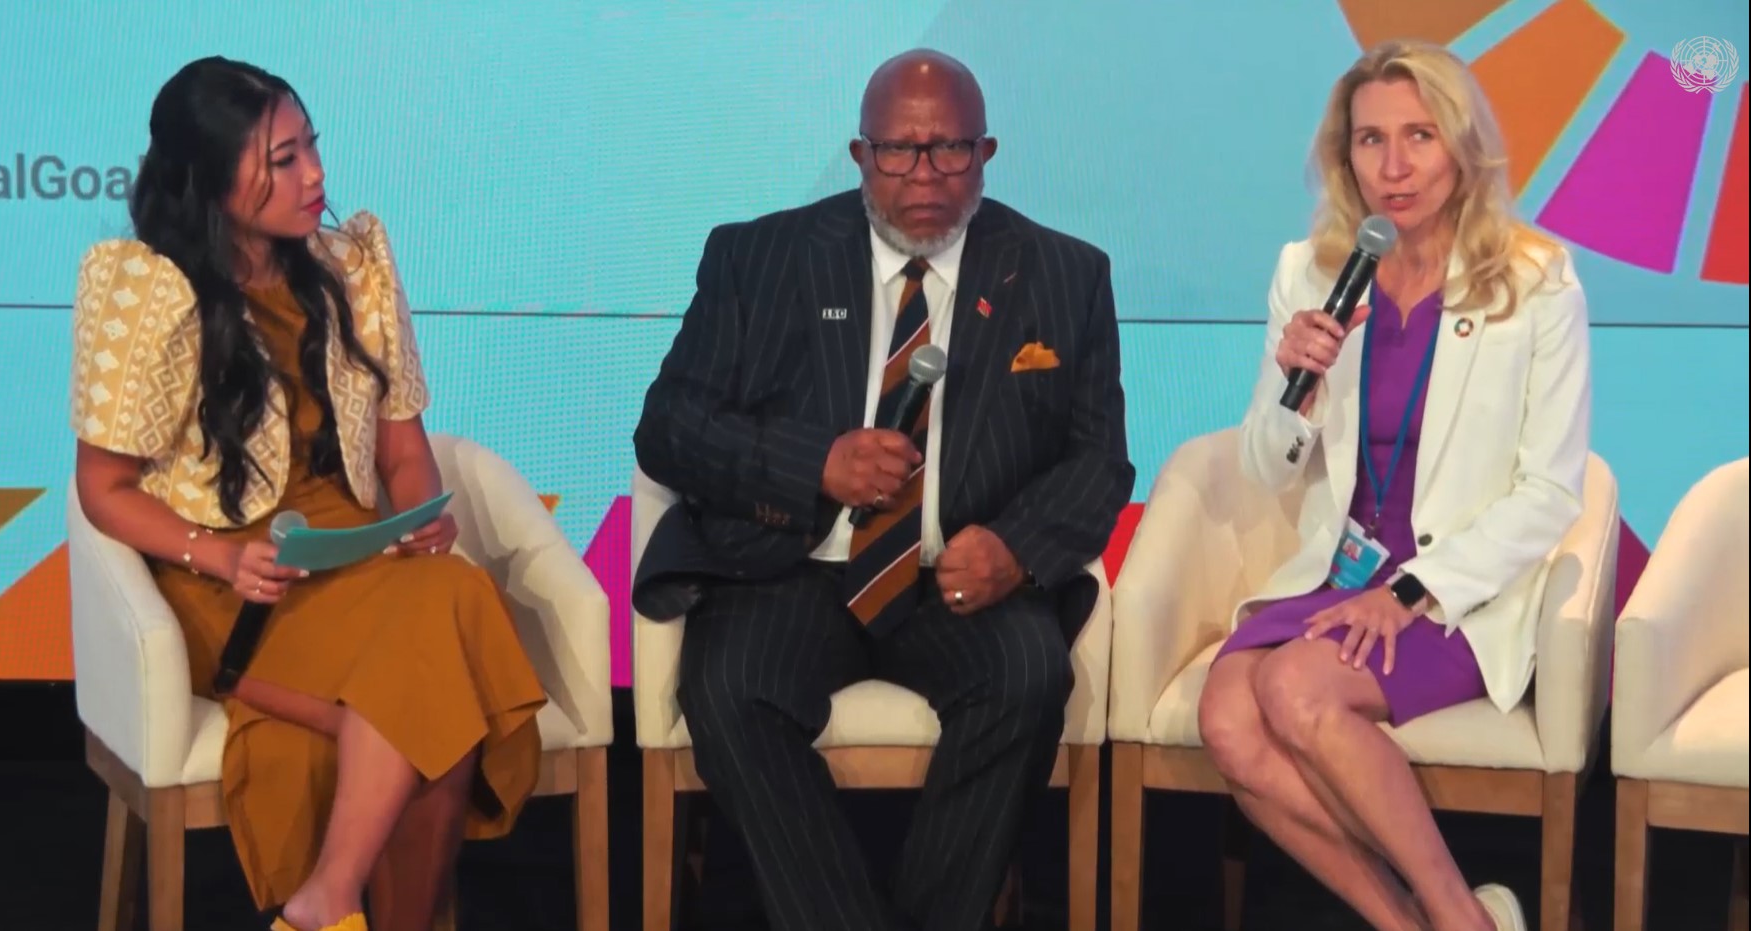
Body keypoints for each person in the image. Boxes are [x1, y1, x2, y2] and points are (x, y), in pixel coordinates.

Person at [631, 48, 1133, 931]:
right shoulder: (760, 257)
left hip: (961, 576)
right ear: (860, 156)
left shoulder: (1064, 274)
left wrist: (1015, 549)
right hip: (793, 566)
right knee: (728, 685)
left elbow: (1099, 460)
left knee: (1027, 674)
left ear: (988, 154)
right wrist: (813, 461)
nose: (925, 175)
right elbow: (670, 427)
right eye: (899, 151)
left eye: (950, 150)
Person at [68, 57, 546, 931]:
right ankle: (326, 901)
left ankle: (324, 903)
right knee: (443, 698)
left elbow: (404, 447)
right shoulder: (147, 288)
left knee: (445, 598)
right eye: (283, 159)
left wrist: (418, 518)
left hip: (359, 559)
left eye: (311, 145)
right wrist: (212, 552)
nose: (315, 174)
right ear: (212, 179)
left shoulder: (351, 264)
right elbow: (101, 487)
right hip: (234, 579)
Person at [1196, 40, 1592, 931]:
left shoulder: (1535, 281)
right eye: (1371, 140)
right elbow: (1266, 467)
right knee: (1227, 718)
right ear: (1345, 159)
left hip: (1456, 587)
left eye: (1420, 135)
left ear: (1463, 147)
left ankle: (1455, 914)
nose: (1396, 165)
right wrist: (1297, 388)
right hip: (1338, 574)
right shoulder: (1311, 271)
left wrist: (1413, 591)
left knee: (1293, 691)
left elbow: (1551, 490)